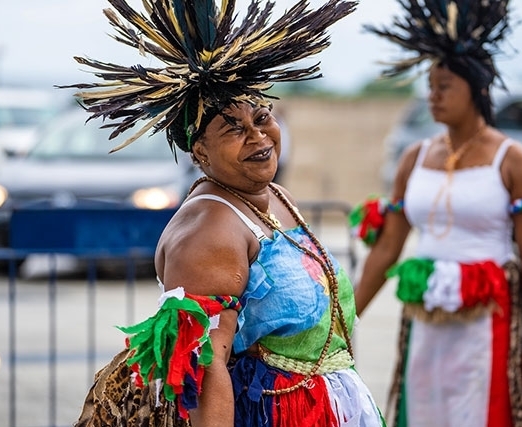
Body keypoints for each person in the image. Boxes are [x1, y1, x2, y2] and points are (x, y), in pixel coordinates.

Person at [60, 0, 386, 426]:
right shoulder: (208, 230)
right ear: (199, 151)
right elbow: (206, 366)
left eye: (262, 117)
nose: (257, 136)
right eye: (232, 127)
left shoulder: (276, 196)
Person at [352, 1, 522, 426]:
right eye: (429, 85)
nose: (433, 95)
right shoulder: (416, 156)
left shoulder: (512, 159)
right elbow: (388, 247)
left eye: (444, 85)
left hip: (489, 322)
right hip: (425, 322)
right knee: (422, 410)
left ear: (477, 89)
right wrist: (344, 321)